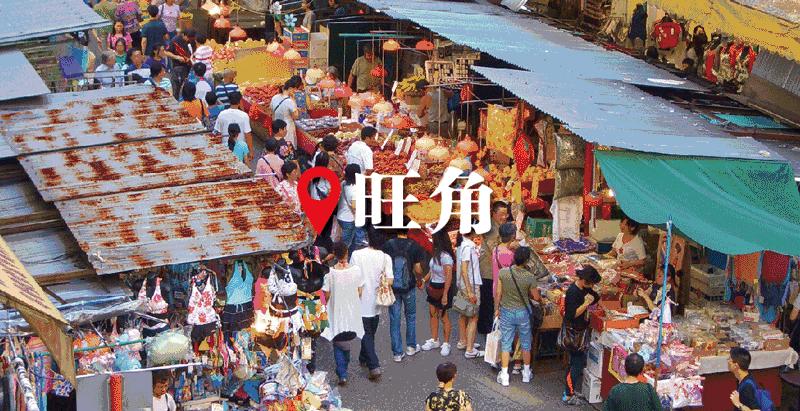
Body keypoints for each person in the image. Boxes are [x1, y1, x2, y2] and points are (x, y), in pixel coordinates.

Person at [351, 228, 393, 381]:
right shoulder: (385, 258)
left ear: (368, 238)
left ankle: (372, 363)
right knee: (370, 332)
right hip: (377, 302)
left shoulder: (356, 255)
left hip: (360, 300)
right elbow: (389, 281)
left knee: (366, 333)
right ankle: (368, 360)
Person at [321, 241, 365, 386]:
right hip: (351, 311)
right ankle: (343, 369)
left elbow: (326, 295)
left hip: (336, 311)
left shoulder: (330, 274)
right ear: (347, 253)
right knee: (346, 342)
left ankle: (342, 372)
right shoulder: (357, 270)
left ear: (334, 254)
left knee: (338, 341)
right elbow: (359, 291)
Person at [494, 247, 540, 386]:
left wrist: (497, 309)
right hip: (523, 313)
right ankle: (526, 373)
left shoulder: (503, 272)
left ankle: (504, 375)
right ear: (527, 260)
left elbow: (498, 294)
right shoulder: (529, 277)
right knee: (526, 343)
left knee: (506, 344)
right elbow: (536, 297)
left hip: (506, 311)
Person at [383, 227, 427, 362]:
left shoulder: (388, 245)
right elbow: (418, 269)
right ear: (407, 230)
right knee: (411, 316)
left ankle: (397, 353)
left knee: (394, 319)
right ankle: (411, 347)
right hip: (409, 287)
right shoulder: (414, 246)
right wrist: (420, 280)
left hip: (393, 288)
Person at [562, 266, 602, 405]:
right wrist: (586, 303)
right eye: (591, 283)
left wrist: (593, 298)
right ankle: (568, 394)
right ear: (585, 280)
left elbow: (595, 297)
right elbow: (572, 314)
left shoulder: (584, 289)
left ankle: (570, 390)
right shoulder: (573, 292)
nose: (592, 286)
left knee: (576, 362)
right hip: (573, 332)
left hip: (581, 331)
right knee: (576, 363)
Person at [478, 201, 513, 335]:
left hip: (491, 268)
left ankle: (484, 326)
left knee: (487, 300)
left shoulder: (498, 226)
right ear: (494, 214)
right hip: (488, 270)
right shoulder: (492, 229)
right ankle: (485, 329)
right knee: (487, 300)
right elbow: (495, 249)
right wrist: (511, 245)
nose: (504, 217)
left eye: (506, 214)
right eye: (501, 214)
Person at [422, 230, 456, 357]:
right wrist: (423, 280)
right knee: (433, 314)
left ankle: (446, 343)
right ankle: (434, 339)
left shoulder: (446, 257)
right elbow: (431, 271)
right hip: (433, 286)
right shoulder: (436, 254)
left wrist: (446, 295)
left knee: (443, 316)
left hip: (443, 288)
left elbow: (448, 277)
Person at [456, 230, 483, 359]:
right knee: (473, 316)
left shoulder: (463, 245)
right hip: (471, 285)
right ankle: (470, 349)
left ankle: (463, 341)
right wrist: (470, 291)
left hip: (463, 285)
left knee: (463, 312)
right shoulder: (469, 247)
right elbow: (465, 270)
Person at [213, 91, 253, 159]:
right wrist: (251, 151)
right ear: (240, 101)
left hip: (225, 148)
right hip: (240, 149)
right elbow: (248, 135)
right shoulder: (244, 116)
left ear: (229, 101)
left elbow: (217, 133)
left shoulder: (222, 114)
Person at [270, 76, 302, 148]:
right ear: (290, 88)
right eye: (294, 89)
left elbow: (272, 113)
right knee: (287, 147)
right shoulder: (290, 101)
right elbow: (295, 116)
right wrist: (296, 107)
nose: (295, 91)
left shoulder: (274, 97)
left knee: (277, 147)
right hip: (287, 128)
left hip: (277, 127)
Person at [164, 29, 196, 98]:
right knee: (176, 87)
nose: (189, 40)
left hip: (190, 67)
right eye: (187, 38)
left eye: (191, 39)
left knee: (187, 88)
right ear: (183, 35)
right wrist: (177, 57)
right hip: (178, 66)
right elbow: (166, 52)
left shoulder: (192, 40)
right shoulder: (175, 40)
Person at [336, 164, 360, 251]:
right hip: (349, 219)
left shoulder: (343, 183)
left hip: (341, 215)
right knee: (345, 245)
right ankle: (341, 259)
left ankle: (350, 256)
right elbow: (354, 207)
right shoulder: (354, 190)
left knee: (351, 241)